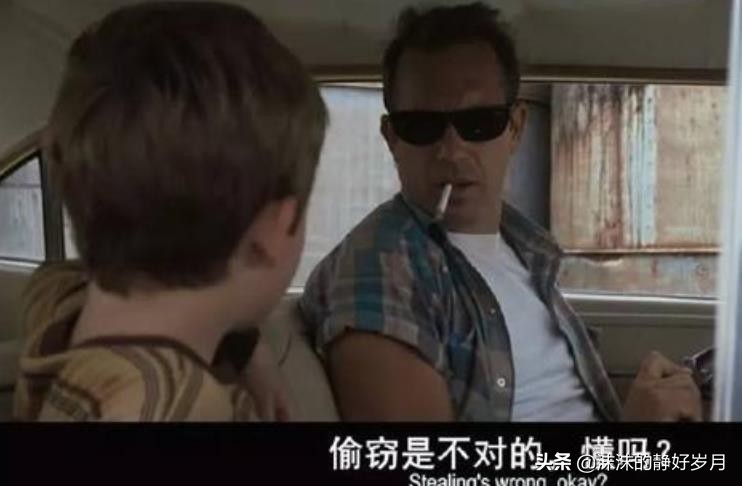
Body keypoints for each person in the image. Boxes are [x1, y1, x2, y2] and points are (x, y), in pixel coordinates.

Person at [300, 2, 702, 422]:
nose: (452, 152)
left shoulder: (524, 249)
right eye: (421, 126)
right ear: (392, 139)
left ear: (515, 128)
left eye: (479, 122)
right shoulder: (383, 265)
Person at [13, 1, 327, 421]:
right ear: (276, 229)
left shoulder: (58, 308)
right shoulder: (175, 406)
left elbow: (65, 278)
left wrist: (249, 350)